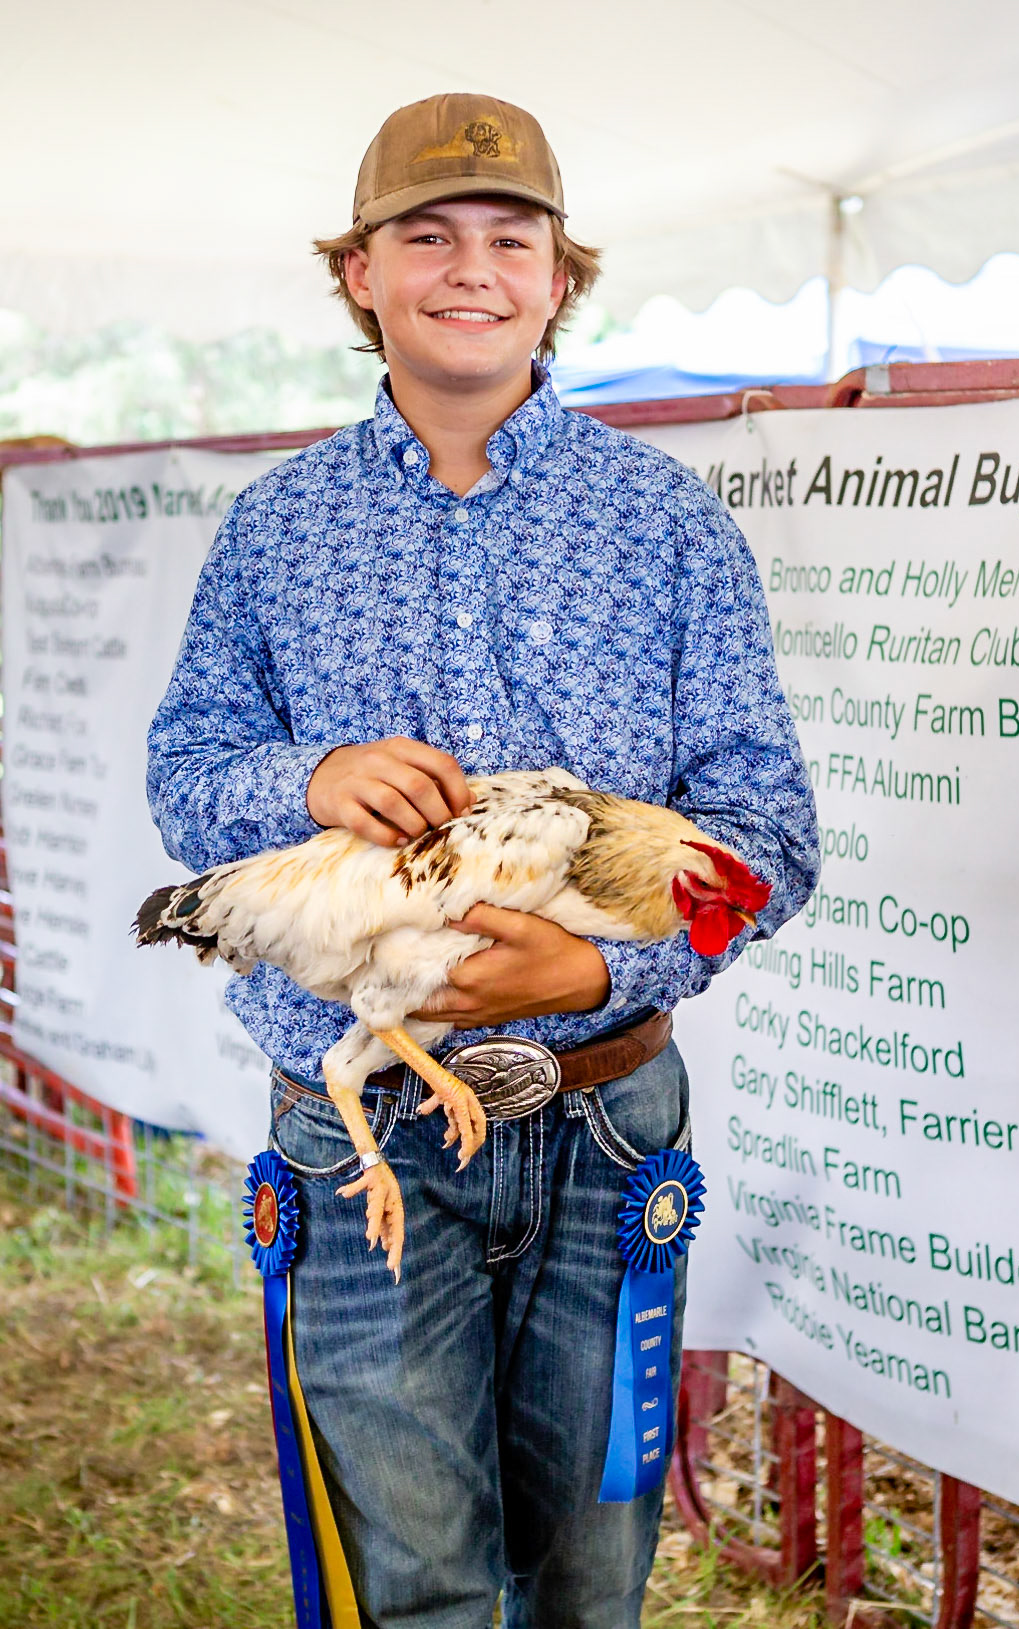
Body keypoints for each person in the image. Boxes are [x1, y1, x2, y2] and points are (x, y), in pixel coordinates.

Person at [146, 92, 818, 1629]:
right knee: (418, 1569)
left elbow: (771, 830)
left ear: (559, 278)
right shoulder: (274, 530)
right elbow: (185, 778)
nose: (471, 268)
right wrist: (305, 774)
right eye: (426, 236)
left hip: (603, 1113)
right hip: (361, 1107)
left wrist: (602, 961)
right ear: (358, 274)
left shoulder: (666, 522)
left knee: (590, 1568)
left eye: (510, 239)